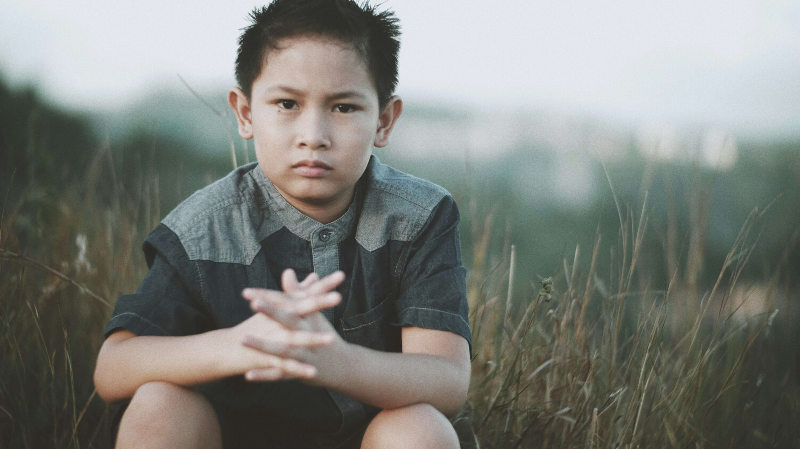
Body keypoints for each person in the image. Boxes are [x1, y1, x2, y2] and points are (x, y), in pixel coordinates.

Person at [93, 0, 472, 447]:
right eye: (287, 103)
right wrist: (242, 343)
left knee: (418, 428)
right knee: (160, 405)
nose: (313, 134)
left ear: (384, 121)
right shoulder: (205, 229)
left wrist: (333, 361)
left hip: (367, 438)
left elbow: (447, 380)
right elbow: (113, 367)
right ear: (246, 113)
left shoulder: (417, 217)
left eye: (344, 107)